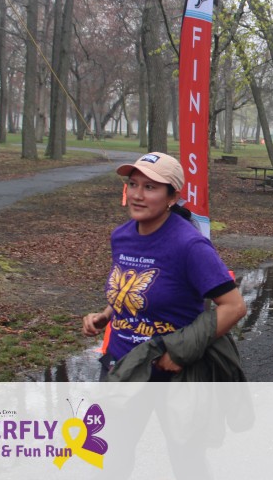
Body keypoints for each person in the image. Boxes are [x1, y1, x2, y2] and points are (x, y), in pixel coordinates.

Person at [82, 151, 247, 381]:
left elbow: (234, 306)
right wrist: (106, 314)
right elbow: (133, 287)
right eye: (133, 184)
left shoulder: (190, 245)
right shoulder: (121, 236)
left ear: (172, 197)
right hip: (119, 366)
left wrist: (181, 353)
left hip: (167, 373)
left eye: (150, 187)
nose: (137, 195)